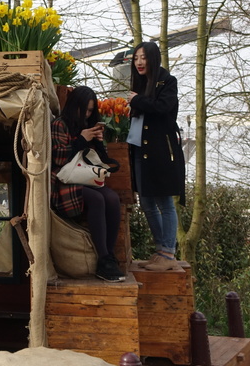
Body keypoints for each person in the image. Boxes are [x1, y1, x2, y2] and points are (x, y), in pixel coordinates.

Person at [50, 85, 125, 282]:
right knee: (97, 199)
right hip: (64, 181)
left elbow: (100, 160)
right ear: (74, 105)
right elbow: (59, 159)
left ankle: (108, 258)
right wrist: (81, 140)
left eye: (90, 111)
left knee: (112, 198)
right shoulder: (59, 124)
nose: (86, 114)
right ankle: (103, 258)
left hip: (86, 178)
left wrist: (98, 142)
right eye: (83, 109)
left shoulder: (89, 125)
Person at [128, 41, 186, 271]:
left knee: (164, 202)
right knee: (146, 202)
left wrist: (137, 101)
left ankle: (169, 253)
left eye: (143, 57)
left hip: (160, 150)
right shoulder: (140, 83)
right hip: (140, 149)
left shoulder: (167, 81)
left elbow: (163, 107)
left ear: (153, 58)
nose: (139, 62)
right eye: (136, 58)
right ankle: (161, 250)